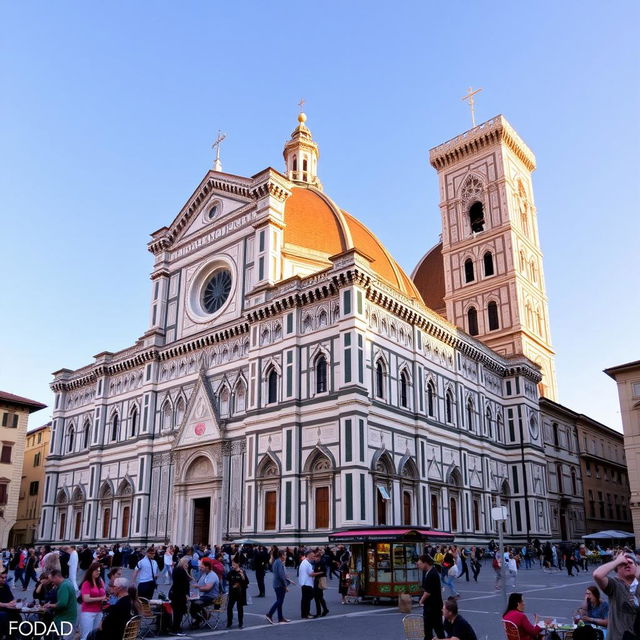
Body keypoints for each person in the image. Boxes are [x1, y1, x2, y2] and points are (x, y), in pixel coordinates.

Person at [593, 552, 639, 640]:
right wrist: (617, 561)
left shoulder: (638, 586)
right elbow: (597, 575)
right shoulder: (615, 584)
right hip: (618, 637)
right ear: (617, 570)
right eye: (623, 564)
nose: (627, 565)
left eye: (630, 563)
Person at [45, 569, 78, 638]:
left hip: (66, 619)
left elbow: (62, 604)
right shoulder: (67, 583)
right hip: (69, 618)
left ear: (56, 577)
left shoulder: (64, 586)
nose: (52, 583)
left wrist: (49, 605)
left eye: (52, 580)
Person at [418, 554, 444, 640]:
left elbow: (428, 592)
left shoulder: (431, 574)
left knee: (434, 629)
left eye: (420, 564)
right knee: (433, 629)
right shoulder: (430, 572)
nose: (419, 566)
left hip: (432, 607)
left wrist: (421, 601)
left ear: (425, 563)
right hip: (433, 606)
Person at [189, 558, 220, 629]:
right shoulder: (204, 574)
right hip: (204, 596)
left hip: (211, 598)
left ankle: (199, 619)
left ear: (207, 567)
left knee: (194, 603)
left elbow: (207, 588)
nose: (200, 568)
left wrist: (197, 587)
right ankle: (202, 615)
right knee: (192, 601)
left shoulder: (212, 575)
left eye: (202, 567)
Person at [79, 561, 106, 640]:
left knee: (95, 635)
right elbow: (86, 599)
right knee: (87, 635)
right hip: (88, 612)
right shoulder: (86, 583)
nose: (98, 572)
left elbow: (104, 593)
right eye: (96, 570)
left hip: (99, 611)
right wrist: (101, 598)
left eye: (99, 570)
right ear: (91, 571)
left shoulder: (100, 582)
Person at [266, 550, 291, 624]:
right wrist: (285, 585)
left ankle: (280, 618)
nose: (286, 556)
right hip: (280, 585)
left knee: (280, 601)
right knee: (279, 601)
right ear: (282, 555)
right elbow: (281, 575)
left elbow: (280, 574)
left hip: (277, 584)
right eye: (285, 555)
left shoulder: (276, 561)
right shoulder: (279, 562)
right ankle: (269, 614)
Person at [169, 556, 191, 635]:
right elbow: (185, 583)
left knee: (178, 612)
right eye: (187, 563)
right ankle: (176, 628)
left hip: (176, 593)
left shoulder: (177, 569)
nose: (188, 565)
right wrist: (186, 594)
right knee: (179, 612)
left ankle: (176, 627)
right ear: (183, 563)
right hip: (179, 594)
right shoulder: (181, 571)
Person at [227, 558, 249, 629]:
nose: (232, 565)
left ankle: (240, 623)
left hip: (240, 593)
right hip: (232, 592)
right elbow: (227, 578)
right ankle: (229, 622)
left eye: (234, 564)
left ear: (238, 564)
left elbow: (246, 582)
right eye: (232, 564)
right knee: (229, 607)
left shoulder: (242, 571)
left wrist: (242, 576)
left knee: (240, 608)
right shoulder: (231, 572)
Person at [0, 570, 22, 638]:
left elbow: (11, 598)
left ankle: (13, 636)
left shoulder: (5, 586)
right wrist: (7, 604)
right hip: (2, 610)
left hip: (6, 608)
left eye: (5, 577)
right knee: (4, 616)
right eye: (2, 578)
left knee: (17, 616)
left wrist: (14, 602)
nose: (4, 579)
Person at [299, 549, 318, 619]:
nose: (314, 557)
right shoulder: (307, 563)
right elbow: (311, 574)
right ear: (309, 555)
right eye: (313, 555)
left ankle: (304, 614)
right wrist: (320, 573)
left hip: (303, 583)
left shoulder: (303, 562)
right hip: (307, 583)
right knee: (308, 599)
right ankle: (307, 614)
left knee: (304, 599)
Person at [312, 551, 329, 617]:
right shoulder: (317, 563)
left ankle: (320, 612)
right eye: (315, 557)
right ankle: (324, 610)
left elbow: (324, 571)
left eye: (316, 557)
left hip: (319, 581)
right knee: (319, 597)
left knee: (318, 597)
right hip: (317, 580)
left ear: (319, 557)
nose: (315, 558)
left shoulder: (321, 563)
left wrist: (315, 574)